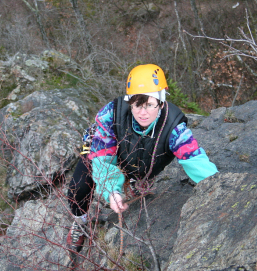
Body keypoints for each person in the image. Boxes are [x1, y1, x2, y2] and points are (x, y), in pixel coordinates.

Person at [66, 64, 218, 253]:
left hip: (143, 159)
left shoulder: (174, 127)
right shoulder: (112, 114)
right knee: (77, 189)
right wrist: (111, 190)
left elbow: (194, 158)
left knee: (144, 163)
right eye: (137, 104)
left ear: (161, 103)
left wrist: (217, 187)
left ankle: (136, 179)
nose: (143, 112)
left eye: (150, 104)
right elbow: (102, 155)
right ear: (130, 103)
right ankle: (80, 221)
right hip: (107, 149)